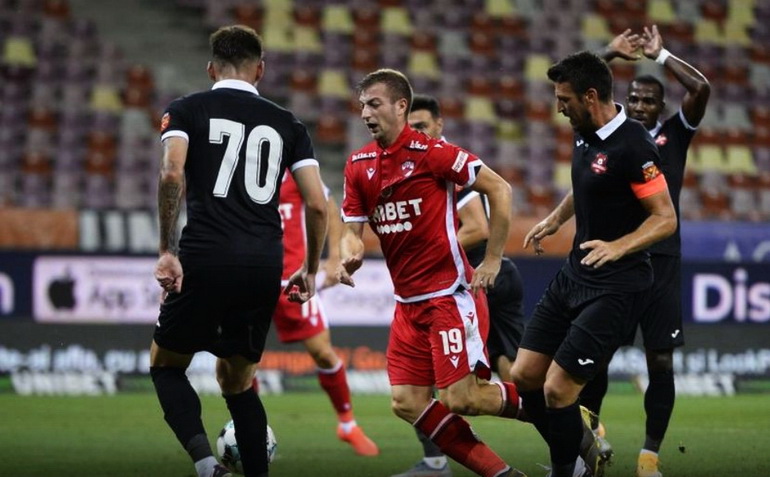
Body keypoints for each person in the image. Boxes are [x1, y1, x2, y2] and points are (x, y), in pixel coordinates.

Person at [150, 25, 328, 477]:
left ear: (211, 68)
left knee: (166, 366)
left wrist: (167, 250)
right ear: (260, 70)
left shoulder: (186, 110)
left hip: (206, 256)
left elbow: (171, 174)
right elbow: (316, 203)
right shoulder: (288, 123)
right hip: (263, 265)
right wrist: (310, 269)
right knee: (238, 382)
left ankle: (207, 466)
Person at [339, 68, 526, 477]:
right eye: (362, 106)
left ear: (400, 106)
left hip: (447, 296)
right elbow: (351, 232)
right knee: (406, 401)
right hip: (407, 305)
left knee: (462, 399)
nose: (365, 113)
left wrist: (493, 259)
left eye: (374, 104)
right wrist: (348, 254)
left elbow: (500, 189)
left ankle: (560, 412)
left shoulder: (433, 153)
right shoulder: (358, 164)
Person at [511, 51, 677, 477]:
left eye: (564, 100)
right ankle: (582, 452)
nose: (559, 108)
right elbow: (587, 183)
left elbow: (665, 218)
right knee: (524, 375)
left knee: (557, 389)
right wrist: (555, 219)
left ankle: (566, 471)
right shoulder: (584, 130)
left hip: (618, 284)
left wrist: (620, 246)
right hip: (575, 273)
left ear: (589, 97)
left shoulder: (634, 144)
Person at [579, 25, 710, 477]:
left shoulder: (675, 134)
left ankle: (649, 457)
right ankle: (591, 442)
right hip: (618, 259)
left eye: (648, 101)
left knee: (660, 360)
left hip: (662, 261)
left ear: (661, 107)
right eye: (633, 98)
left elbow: (701, 88)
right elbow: (575, 86)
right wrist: (610, 53)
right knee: (594, 356)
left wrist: (661, 55)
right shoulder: (609, 135)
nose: (638, 106)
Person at [392, 94, 526, 477]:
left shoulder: (444, 162)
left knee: (447, 388)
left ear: (439, 125)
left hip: (477, 279)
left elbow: (477, 227)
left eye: (422, 126)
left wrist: (422, 252)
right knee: (505, 377)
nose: (416, 133)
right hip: (467, 281)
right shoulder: (416, 165)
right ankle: (572, 431)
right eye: (410, 127)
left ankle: (568, 419)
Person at [261, 172, 379, 456]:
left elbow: (327, 203)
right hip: (253, 276)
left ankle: (348, 424)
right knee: (241, 359)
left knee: (323, 353)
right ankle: (249, 430)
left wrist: (334, 257)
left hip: (294, 279)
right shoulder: (239, 168)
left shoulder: (295, 172)